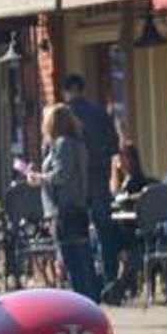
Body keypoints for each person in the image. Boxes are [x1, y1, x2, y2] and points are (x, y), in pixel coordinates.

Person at [61, 74, 120, 295]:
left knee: (79, 236)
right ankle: (110, 280)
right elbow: (114, 145)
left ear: (66, 91)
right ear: (82, 89)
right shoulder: (99, 112)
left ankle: (88, 285)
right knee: (105, 229)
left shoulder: (64, 115)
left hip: (75, 183)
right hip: (98, 178)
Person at [38, 103, 100, 301]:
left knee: (71, 259)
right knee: (82, 257)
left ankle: (79, 300)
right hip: (78, 206)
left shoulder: (62, 144)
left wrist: (40, 178)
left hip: (65, 208)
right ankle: (89, 298)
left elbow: (62, 174)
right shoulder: (78, 144)